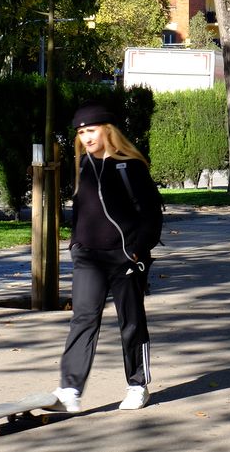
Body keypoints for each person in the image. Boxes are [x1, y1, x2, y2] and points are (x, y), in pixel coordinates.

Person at [50, 103, 163, 413]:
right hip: (88, 257)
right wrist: (75, 244)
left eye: (91, 130)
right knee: (82, 319)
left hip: (125, 257)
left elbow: (152, 215)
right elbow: (83, 212)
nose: (86, 137)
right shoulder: (83, 165)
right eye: (81, 132)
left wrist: (138, 251)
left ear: (107, 130)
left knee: (131, 322)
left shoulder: (129, 166)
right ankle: (70, 390)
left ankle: (137, 385)